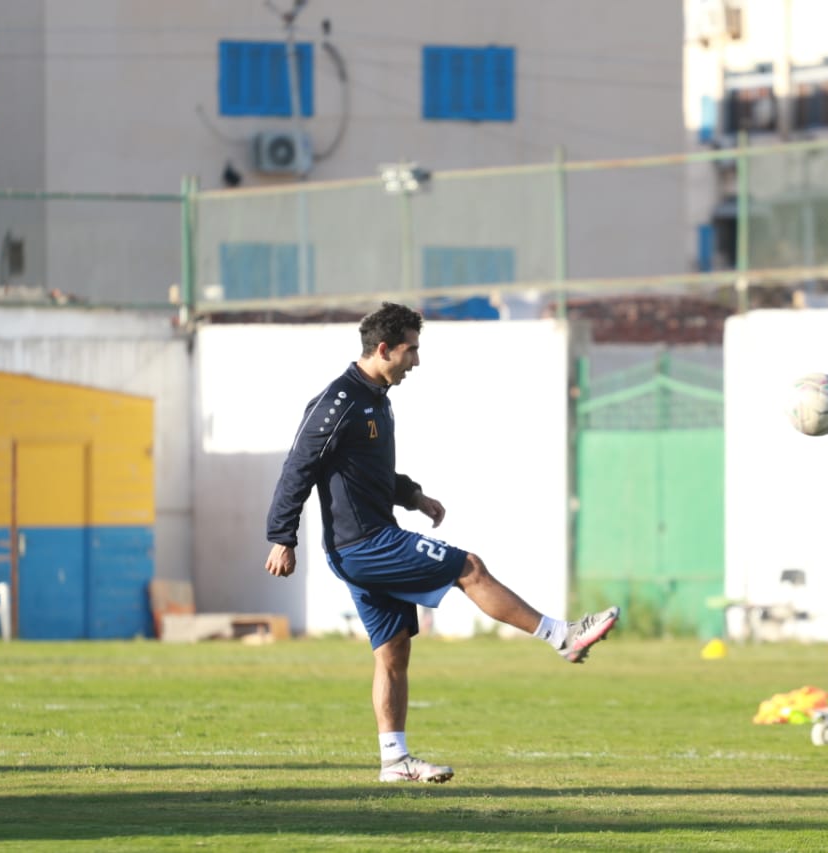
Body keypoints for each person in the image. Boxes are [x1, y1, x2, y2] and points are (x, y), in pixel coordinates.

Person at [264, 301, 619, 784]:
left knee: (393, 654)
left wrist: (412, 495)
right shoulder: (338, 403)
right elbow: (297, 468)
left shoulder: (375, 399)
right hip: (366, 545)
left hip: (362, 545)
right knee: (468, 567)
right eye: (410, 350)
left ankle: (395, 761)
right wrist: (283, 537)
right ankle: (562, 636)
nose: (416, 361)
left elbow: (366, 472)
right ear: (384, 349)